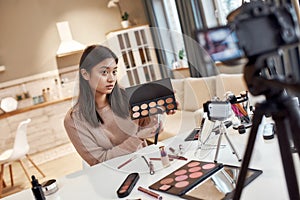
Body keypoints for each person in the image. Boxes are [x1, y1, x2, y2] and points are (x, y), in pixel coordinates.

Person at [64, 45, 176, 166]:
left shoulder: (126, 96)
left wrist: (160, 108)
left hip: (144, 164)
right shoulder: (74, 120)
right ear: (85, 74)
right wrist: (137, 138)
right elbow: (99, 161)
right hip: (112, 176)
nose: (111, 78)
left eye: (114, 71)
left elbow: (146, 126)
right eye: (104, 72)